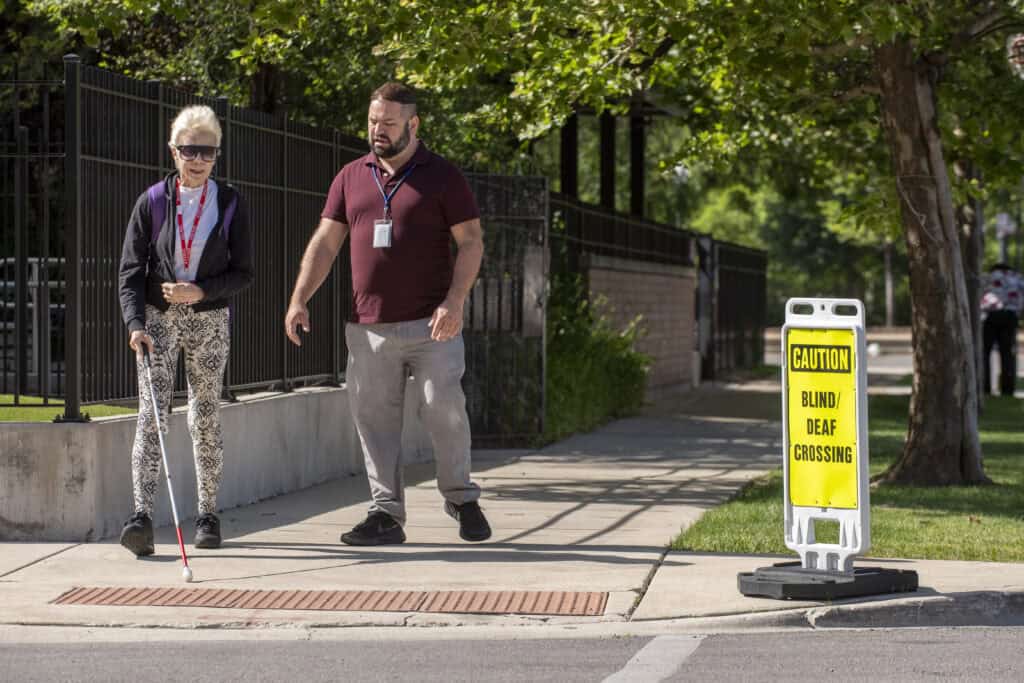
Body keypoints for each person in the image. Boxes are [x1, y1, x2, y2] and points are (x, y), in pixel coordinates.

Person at [284, 82, 491, 545]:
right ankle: (385, 514)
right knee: (375, 423)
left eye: (389, 123)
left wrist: (455, 301)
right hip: (367, 325)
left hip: (432, 324)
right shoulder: (350, 176)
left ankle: (461, 496)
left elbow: (472, 241)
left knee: (444, 407)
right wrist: (300, 297)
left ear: (413, 125)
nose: (378, 130)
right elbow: (325, 243)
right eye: (373, 121)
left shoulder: (441, 176)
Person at [117, 105, 254, 556]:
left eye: (207, 152)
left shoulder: (231, 202)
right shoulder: (152, 201)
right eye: (189, 150)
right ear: (174, 152)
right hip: (158, 320)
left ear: (216, 155)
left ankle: (208, 515)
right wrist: (135, 323)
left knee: (206, 413)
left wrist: (201, 290)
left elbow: (244, 272)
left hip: (209, 319)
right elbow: (130, 271)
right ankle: (140, 517)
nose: (197, 160)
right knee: (153, 415)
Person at [980, 262, 1022, 396]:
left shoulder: (988, 277)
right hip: (1010, 316)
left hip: (990, 316)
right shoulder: (1017, 278)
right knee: (1007, 353)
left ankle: (985, 387)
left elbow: (980, 296)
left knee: (985, 353)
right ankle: (1007, 389)